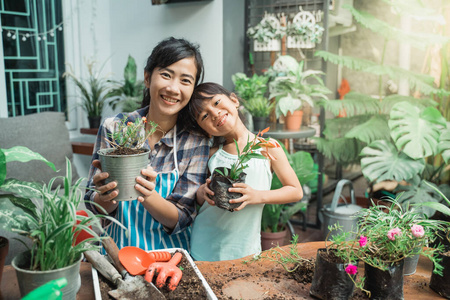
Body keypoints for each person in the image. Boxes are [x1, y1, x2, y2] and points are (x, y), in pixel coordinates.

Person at [85, 37, 210, 251]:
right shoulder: (114, 127)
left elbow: (181, 217)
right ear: (147, 77)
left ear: (192, 90)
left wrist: (148, 195)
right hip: (115, 253)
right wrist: (106, 195)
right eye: (166, 75)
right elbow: (94, 204)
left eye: (185, 81)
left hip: (168, 258)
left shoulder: (195, 141)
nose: (173, 88)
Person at [187, 82, 303, 261]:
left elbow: (295, 191)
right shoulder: (212, 155)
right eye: (204, 116)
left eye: (216, 103)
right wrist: (202, 193)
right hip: (204, 246)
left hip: (245, 249)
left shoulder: (268, 147)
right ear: (204, 129)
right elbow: (196, 197)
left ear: (234, 100)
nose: (215, 113)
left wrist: (256, 196)